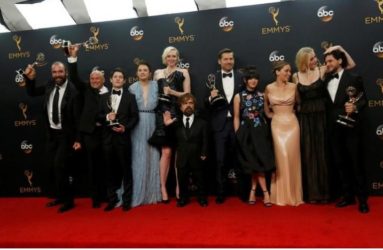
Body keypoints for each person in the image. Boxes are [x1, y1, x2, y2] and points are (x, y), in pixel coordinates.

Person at [292, 45, 356, 203]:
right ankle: (312, 194)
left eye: (315, 57)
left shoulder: (321, 70)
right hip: (306, 118)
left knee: (323, 154)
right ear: (304, 60)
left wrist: (341, 48)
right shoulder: (295, 76)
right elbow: (297, 101)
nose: (315, 60)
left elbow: (351, 65)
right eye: (312, 58)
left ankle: (327, 193)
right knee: (309, 155)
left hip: (322, 116)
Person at [24, 61, 81, 213]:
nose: (57, 75)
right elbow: (32, 93)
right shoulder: (50, 84)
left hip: (65, 135)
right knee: (51, 168)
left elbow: (77, 118)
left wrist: (77, 139)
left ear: (66, 73)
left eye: (60, 72)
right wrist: (30, 79)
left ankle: (69, 201)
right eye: (54, 72)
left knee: (60, 166)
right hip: (51, 134)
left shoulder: (72, 90)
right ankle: (61, 197)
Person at [323, 49, 369, 213]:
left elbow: (363, 99)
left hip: (351, 128)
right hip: (333, 128)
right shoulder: (325, 79)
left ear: (339, 61)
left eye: (330, 61)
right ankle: (348, 196)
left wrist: (355, 106)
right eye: (326, 62)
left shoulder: (353, 78)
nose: (327, 64)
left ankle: (362, 200)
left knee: (356, 163)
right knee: (340, 164)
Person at [67, 44, 109, 208]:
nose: (94, 81)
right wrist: (73, 58)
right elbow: (75, 77)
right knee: (93, 167)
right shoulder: (85, 89)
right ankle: (95, 197)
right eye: (92, 79)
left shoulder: (109, 92)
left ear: (103, 79)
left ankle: (107, 194)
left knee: (105, 165)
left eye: (97, 78)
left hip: (106, 134)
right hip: (90, 135)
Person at [151, 46, 191, 203]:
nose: (171, 58)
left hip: (178, 115)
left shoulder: (184, 72)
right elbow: (155, 94)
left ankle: (179, 187)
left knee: (179, 153)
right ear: (164, 57)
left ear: (178, 57)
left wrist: (173, 93)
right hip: (162, 115)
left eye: (174, 56)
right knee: (166, 153)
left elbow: (188, 95)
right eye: (169, 56)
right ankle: (163, 187)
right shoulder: (157, 73)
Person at [233, 66, 275, 207]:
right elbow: (236, 117)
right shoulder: (238, 97)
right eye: (250, 78)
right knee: (252, 163)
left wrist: (285, 114)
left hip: (261, 131)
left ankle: (256, 191)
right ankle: (264, 192)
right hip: (245, 132)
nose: (253, 81)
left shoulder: (263, 95)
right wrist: (237, 133)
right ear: (245, 80)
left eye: (256, 78)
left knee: (259, 161)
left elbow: (268, 114)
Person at [264, 60, 303, 206]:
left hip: (292, 125)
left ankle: (294, 195)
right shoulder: (268, 88)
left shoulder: (294, 87)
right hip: (277, 126)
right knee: (281, 157)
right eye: (286, 70)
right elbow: (266, 110)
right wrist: (275, 116)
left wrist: (290, 113)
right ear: (277, 72)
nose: (289, 73)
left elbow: (299, 105)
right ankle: (279, 195)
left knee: (292, 158)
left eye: (290, 71)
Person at [207, 48, 243, 204]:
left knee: (240, 158)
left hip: (238, 123)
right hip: (219, 125)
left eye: (231, 58)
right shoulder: (211, 78)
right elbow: (203, 102)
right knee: (220, 160)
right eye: (226, 59)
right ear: (219, 61)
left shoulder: (242, 77)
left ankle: (243, 191)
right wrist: (210, 97)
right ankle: (220, 192)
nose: (229, 61)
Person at [101, 68, 139, 212]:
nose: (117, 79)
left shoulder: (130, 97)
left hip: (123, 139)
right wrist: (106, 117)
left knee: (126, 170)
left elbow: (135, 117)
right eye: (115, 77)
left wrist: (126, 128)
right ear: (110, 80)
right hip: (108, 140)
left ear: (124, 81)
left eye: (120, 77)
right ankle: (112, 200)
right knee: (110, 171)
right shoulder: (103, 97)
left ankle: (127, 201)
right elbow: (97, 116)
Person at [163, 93, 208, 207]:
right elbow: (170, 139)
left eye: (190, 103)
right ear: (180, 107)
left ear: (194, 106)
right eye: (185, 103)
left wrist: (204, 152)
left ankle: (202, 198)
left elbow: (205, 140)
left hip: (197, 155)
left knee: (200, 179)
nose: (188, 105)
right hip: (182, 155)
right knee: (182, 179)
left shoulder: (202, 122)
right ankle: (183, 198)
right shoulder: (175, 123)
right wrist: (167, 125)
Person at [128, 61, 161, 207]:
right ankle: (137, 192)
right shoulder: (131, 88)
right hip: (137, 123)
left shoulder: (156, 85)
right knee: (138, 156)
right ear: (137, 73)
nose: (142, 72)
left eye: (145, 70)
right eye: (140, 70)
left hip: (153, 122)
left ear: (150, 72)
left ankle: (152, 193)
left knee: (152, 155)